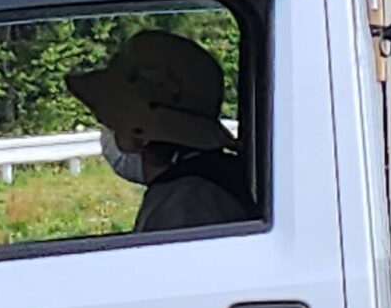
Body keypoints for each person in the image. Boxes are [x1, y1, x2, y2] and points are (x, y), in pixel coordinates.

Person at [67, 31, 255, 233]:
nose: (106, 124)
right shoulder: (204, 187)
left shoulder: (187, 206)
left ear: (139, 136)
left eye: (115, 116)